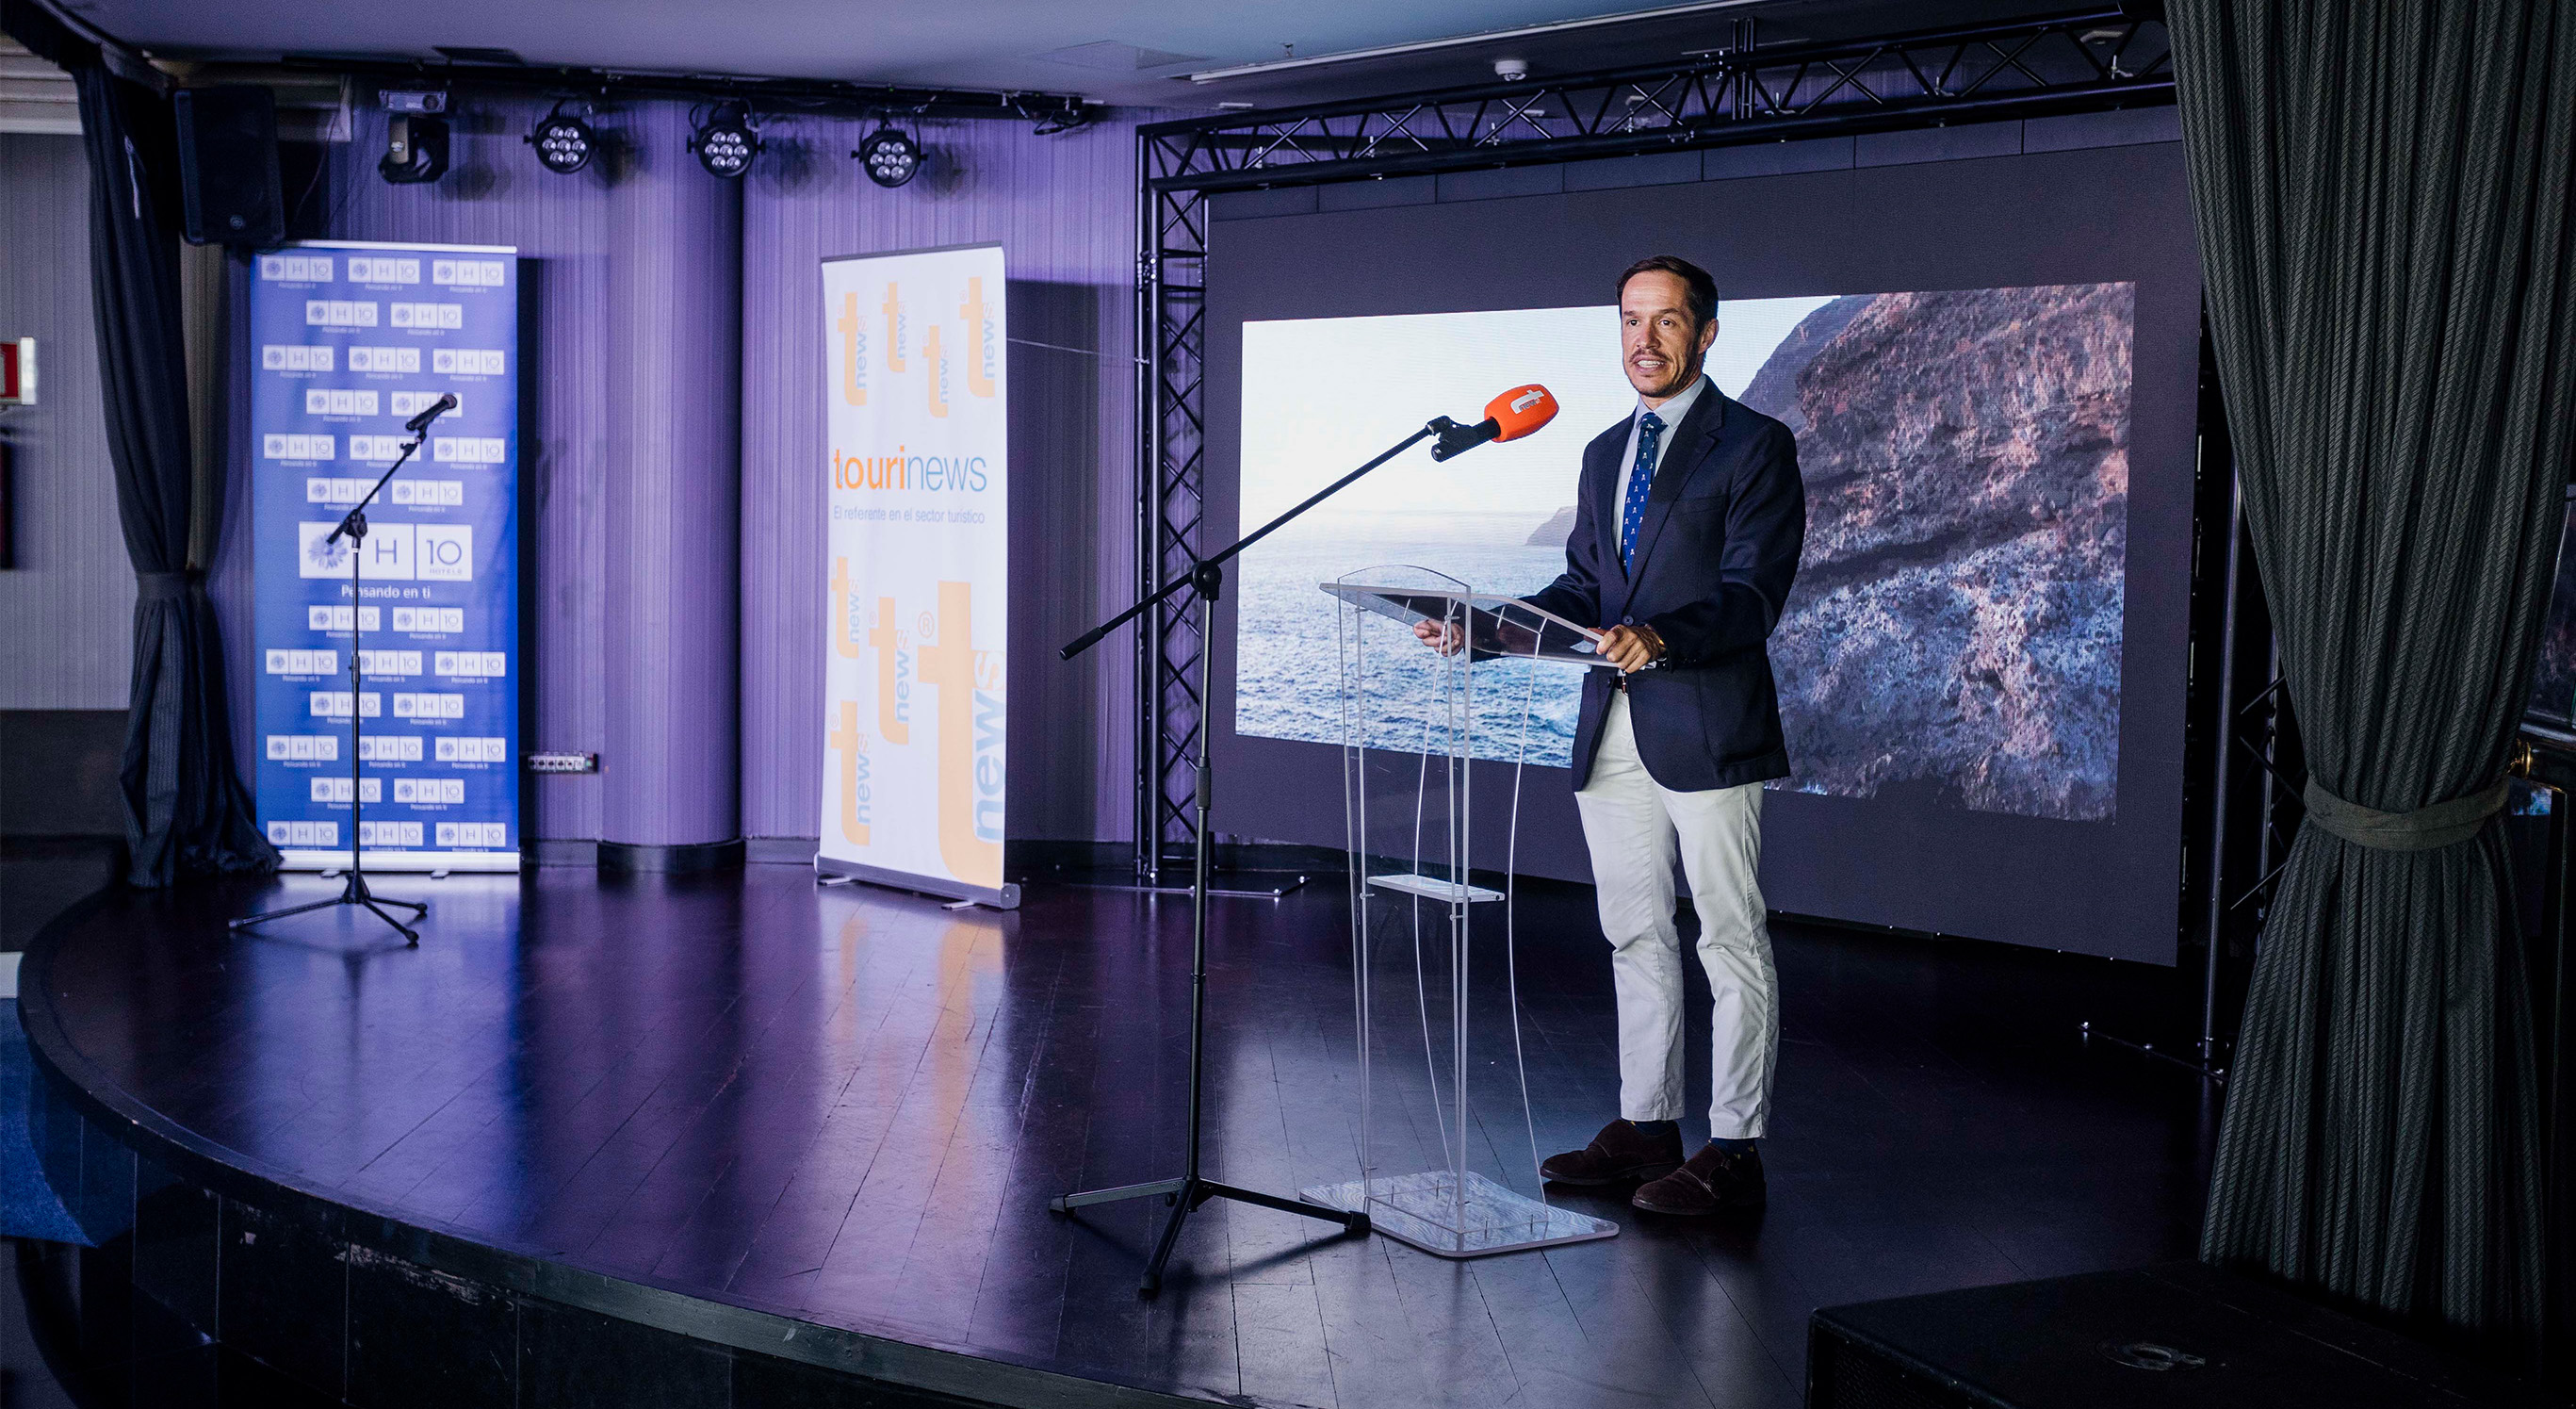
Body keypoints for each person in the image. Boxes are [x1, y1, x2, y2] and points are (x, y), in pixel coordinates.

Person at [1416, 254, 1804, 1215]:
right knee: (1634, 931)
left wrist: (1663, 637)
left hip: (1708, 724)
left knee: (1728, 937)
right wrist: (1484, 632)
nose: (1644, 339)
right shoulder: (1601, 454)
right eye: (1631, 321)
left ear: (1704, 333)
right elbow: (1583, 593)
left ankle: (1737, 1149)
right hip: (1612, 727)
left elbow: (1754, 595)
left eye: (1666, 321)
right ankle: (1648, 1124)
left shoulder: (1755, 446)